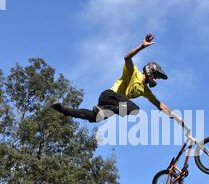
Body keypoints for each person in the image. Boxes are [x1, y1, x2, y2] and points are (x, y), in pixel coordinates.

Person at [52, 33, 184, 125]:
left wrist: (175, 116)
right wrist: (142, 46)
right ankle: (104, 111)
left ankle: (62, 110)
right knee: (134, 109)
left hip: (111, 105)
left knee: (94, 117)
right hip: (109, 95)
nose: (155, 80)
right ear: (150, 72)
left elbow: (159, 105)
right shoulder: (134, 72)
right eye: (155, 76)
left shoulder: (145, 90)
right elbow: (127, 58)